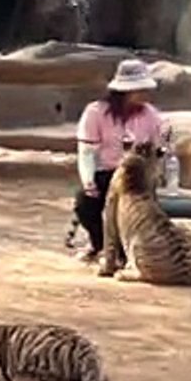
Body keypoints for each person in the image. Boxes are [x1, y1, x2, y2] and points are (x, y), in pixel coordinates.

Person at [73, 58, 164, 262]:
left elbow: (162, 146)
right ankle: (99, 244)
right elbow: (87, 151)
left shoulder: (151, 115)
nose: (145, 94)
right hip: (107, 172)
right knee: (84, 203)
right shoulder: (96, 112)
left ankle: (126, 250)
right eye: (139, 89)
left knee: (140, 209)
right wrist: (88, 180)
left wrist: (158, 167)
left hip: (137, 175)